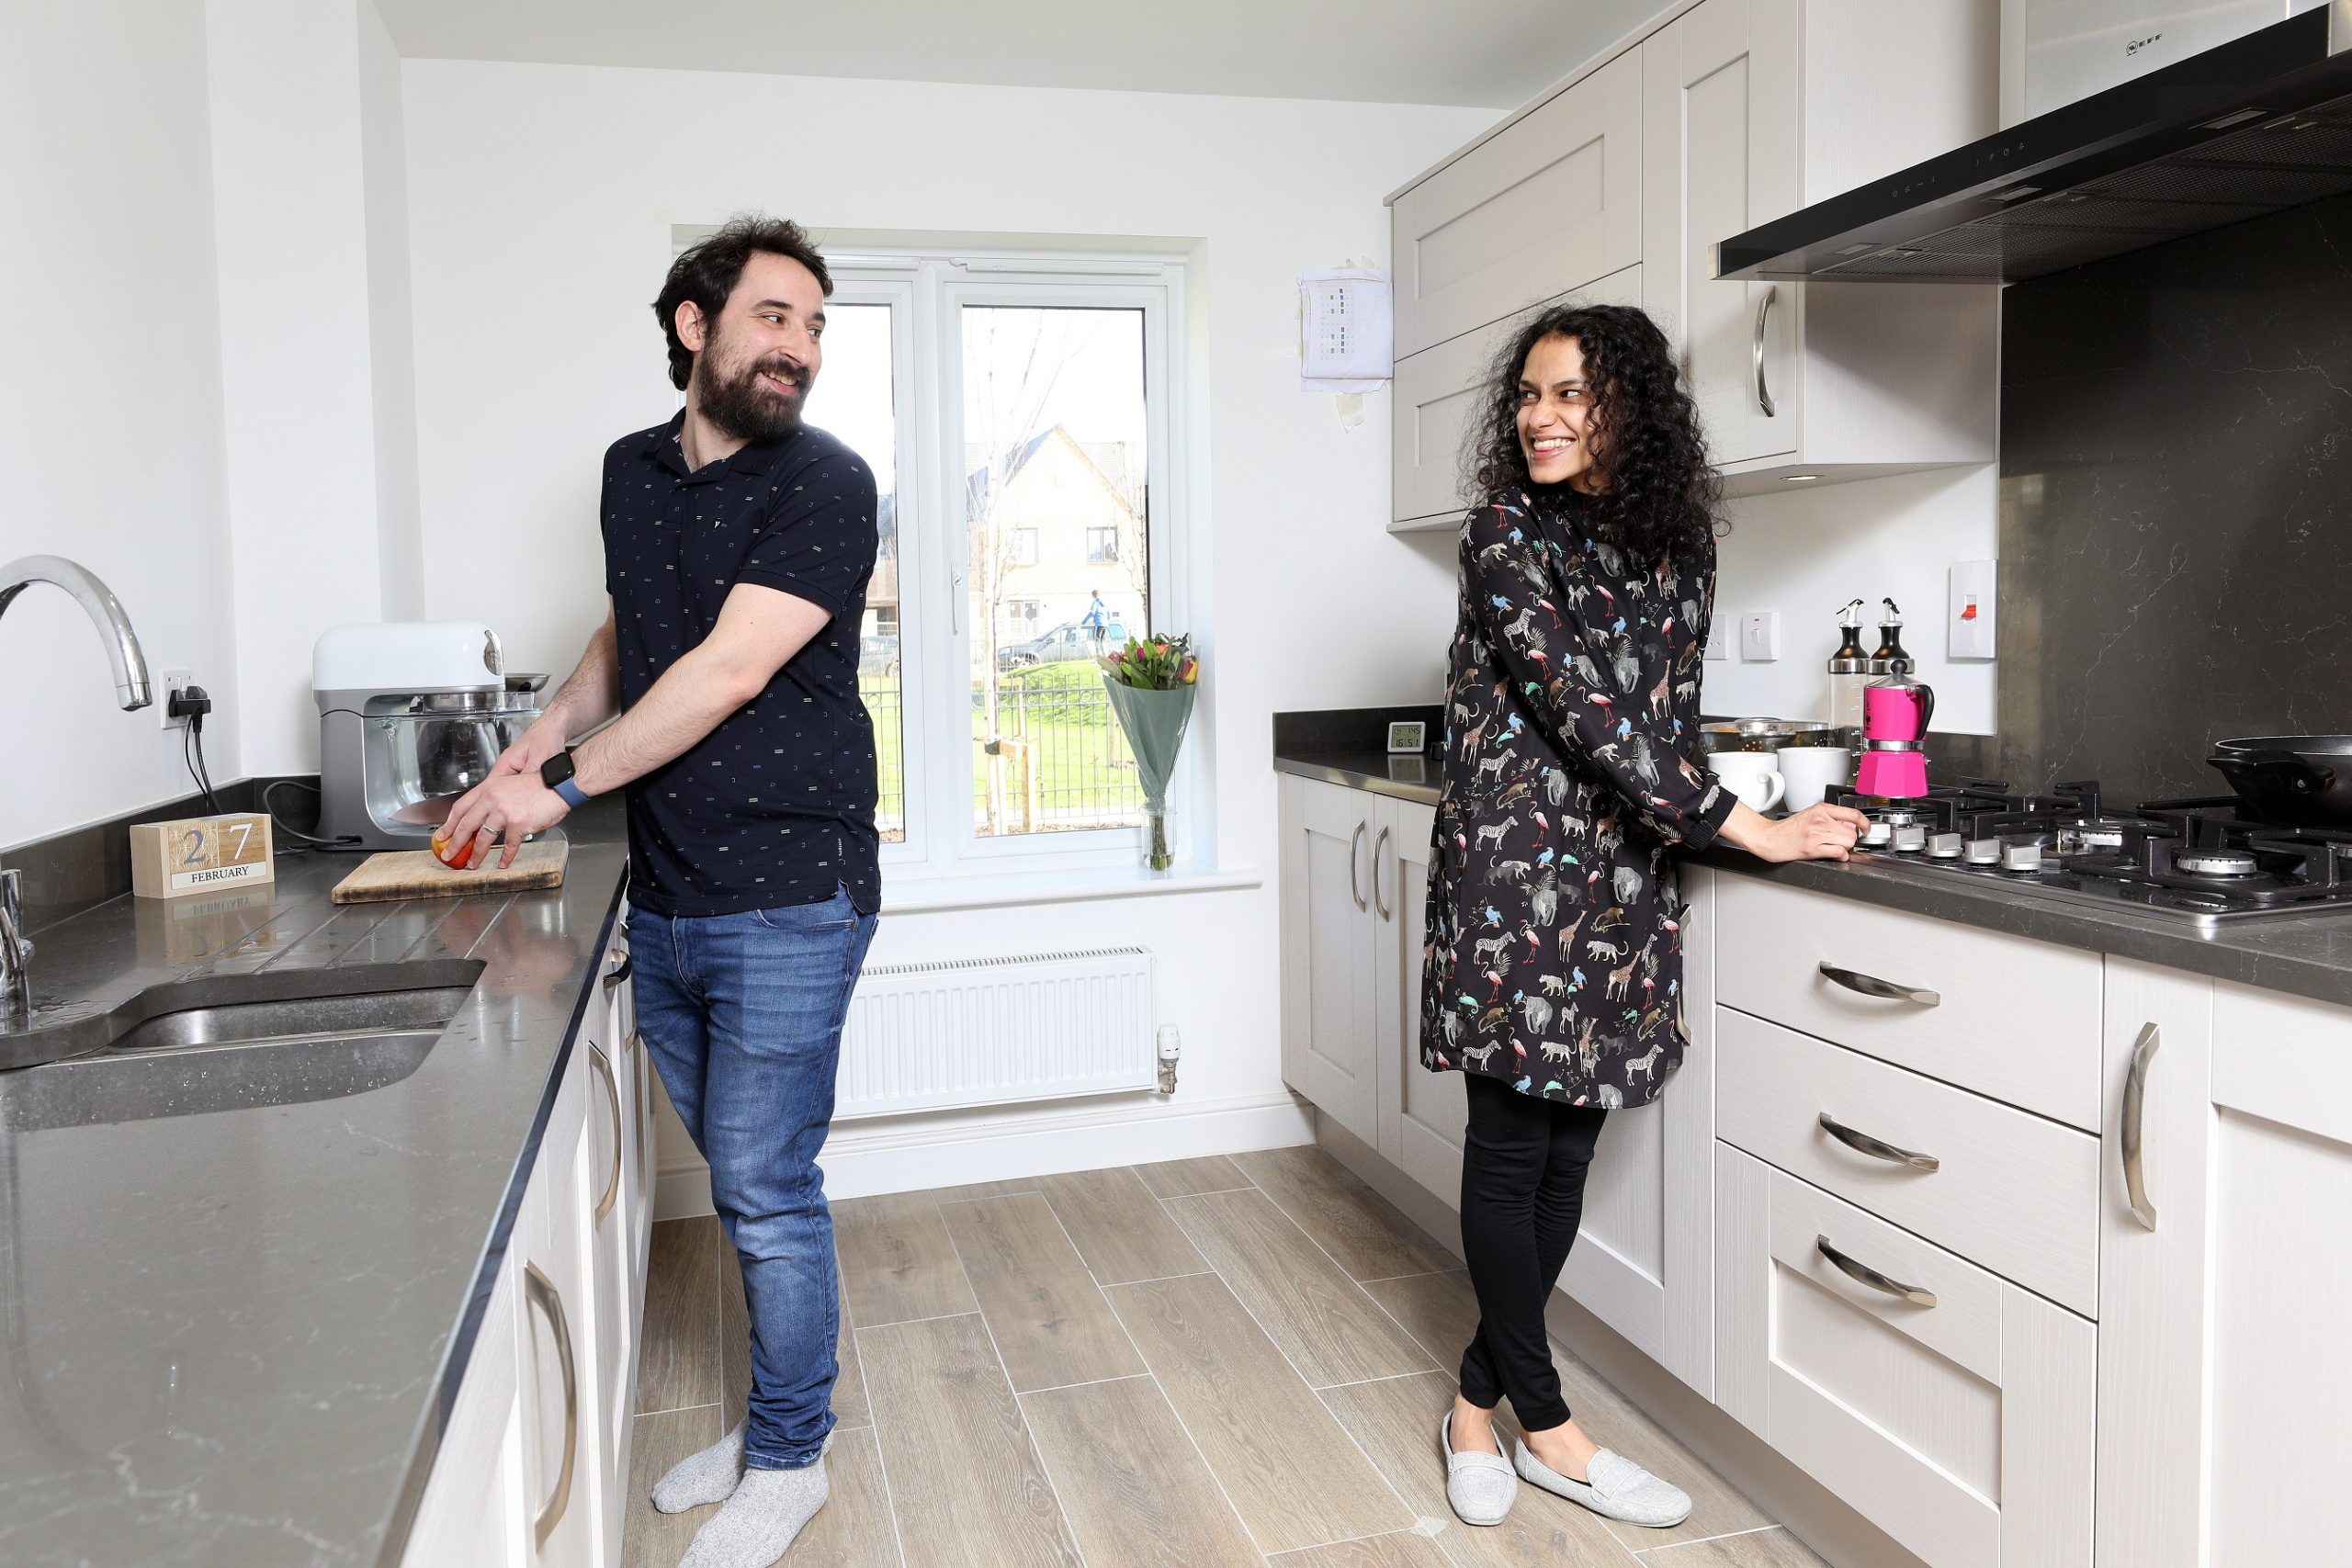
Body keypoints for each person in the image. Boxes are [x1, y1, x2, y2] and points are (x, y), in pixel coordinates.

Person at [441, 213, 881, 1568]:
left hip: (793, 889)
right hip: (674, 891)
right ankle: (769, 1434)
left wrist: (560, 788)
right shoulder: (633, 471)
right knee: (746, 1170)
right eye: (771, 316)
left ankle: (791, 1457)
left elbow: (724, 671)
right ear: (695, 326)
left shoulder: (828, 483)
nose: (796, 346)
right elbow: (634, 633)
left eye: (812, 325)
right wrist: (538, 734)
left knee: (762, 1184)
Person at [1420, 303, 1866, 1532]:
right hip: (1515, 883)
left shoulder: (1679, 546)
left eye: (1569, 395)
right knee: (1514, 1149)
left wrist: (1714, 820)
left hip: (1618, 883)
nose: (1541, 418)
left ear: (1627, 407)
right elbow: (1589, 715)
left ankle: (1471, 1409)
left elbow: (1667, 718)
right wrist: (1752, 826)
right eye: (1527, 398)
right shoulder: (1503, 535)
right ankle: (1552, 1431)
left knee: (1568, 1154)